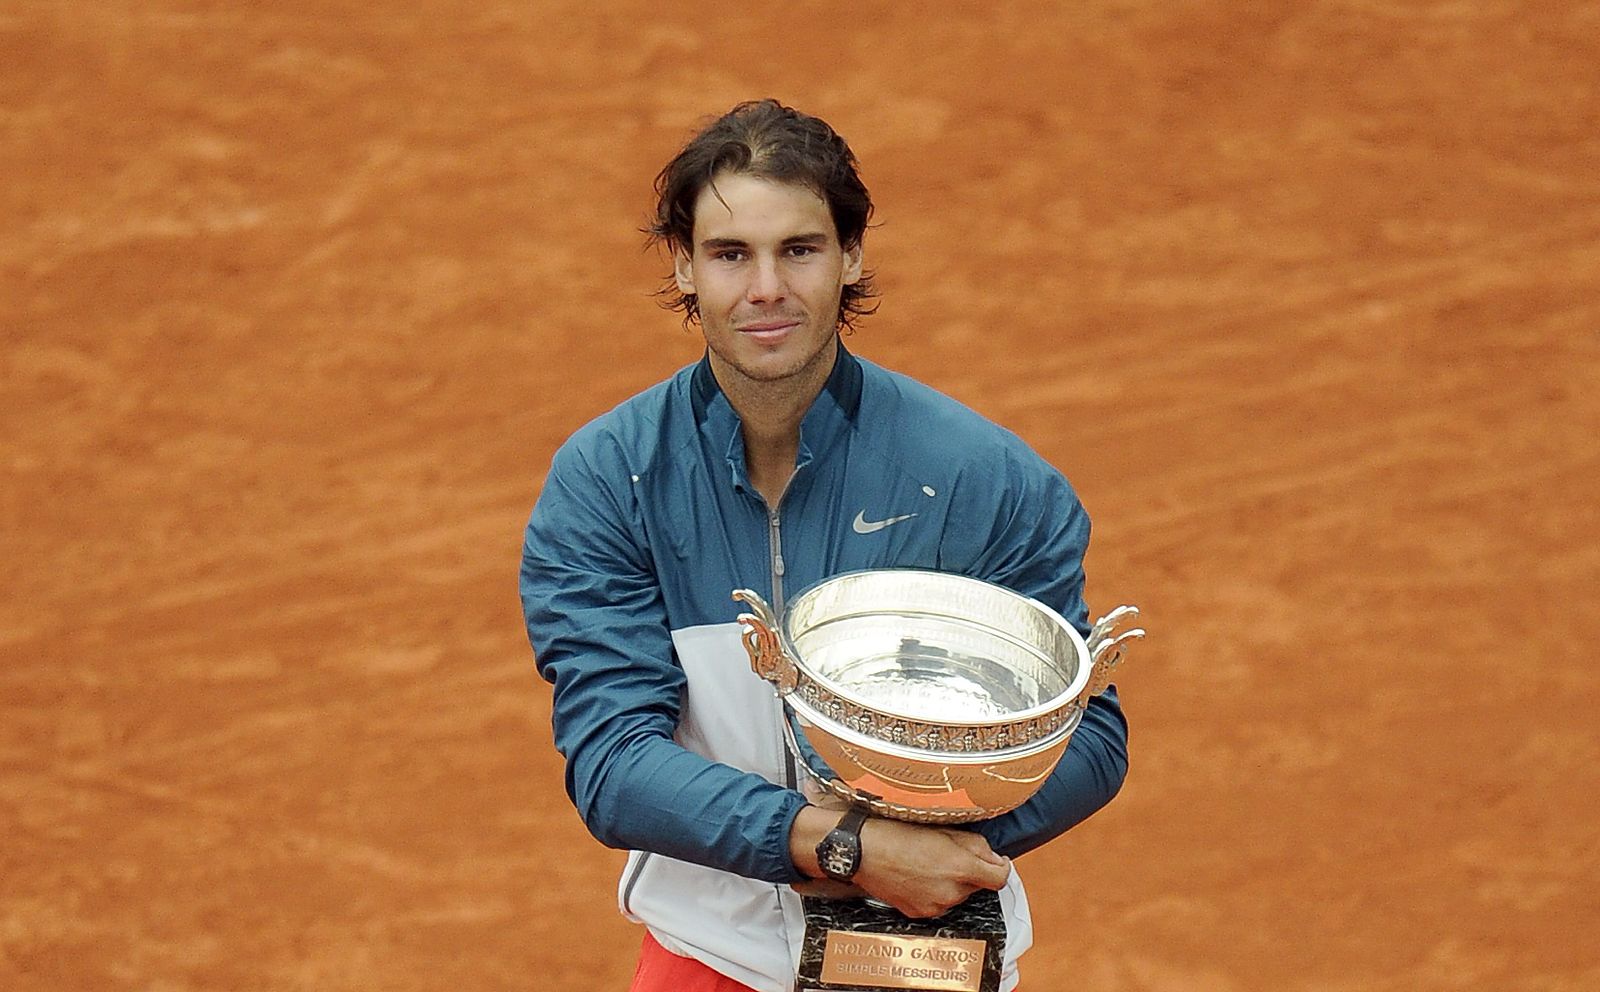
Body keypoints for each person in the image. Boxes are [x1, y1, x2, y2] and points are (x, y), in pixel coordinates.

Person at [519, 98, 1129, 992]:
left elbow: (1086, 734)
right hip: (709, 958)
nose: (766, 288)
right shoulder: (613, 479)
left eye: (798, 250)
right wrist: (846, 849)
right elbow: (613, 760)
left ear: (851, 255)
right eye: (731, 254)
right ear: (685, 267)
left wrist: (945, 849)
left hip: (925, 959)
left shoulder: (982, 479)